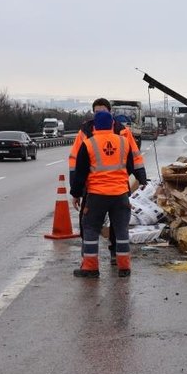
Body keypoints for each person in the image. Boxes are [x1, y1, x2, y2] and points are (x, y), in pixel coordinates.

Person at [70, 111, 147, 278]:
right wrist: (137, 179)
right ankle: (124, 267)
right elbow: (131, 166)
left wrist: (76, 194)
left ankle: (90, 268)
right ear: (112, 125)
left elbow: (80, 174)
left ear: (95, 126)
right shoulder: (124, 142)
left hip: (97, 196)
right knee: (121, 230)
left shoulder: (88, 144)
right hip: (120, 195)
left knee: (90, 229)